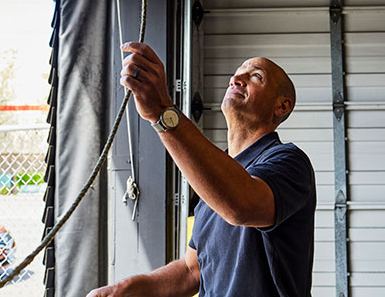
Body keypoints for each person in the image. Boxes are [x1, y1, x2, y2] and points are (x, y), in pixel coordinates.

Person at [87, 42, 316, 297]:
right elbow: (190, 271)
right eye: (237, 72)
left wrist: (163, 112)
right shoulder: (212, 183)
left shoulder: (289, 162)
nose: (236, 78)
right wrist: (122, 289)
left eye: (255, 76)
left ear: (282, 106)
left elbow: (241, 206)